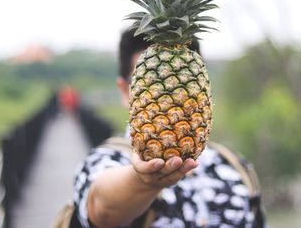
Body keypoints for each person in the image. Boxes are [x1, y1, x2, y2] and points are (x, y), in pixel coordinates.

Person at [72, 29, 266, 228]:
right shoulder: (105, 161)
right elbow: (102, 210)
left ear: (202, 89)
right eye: (153, 84)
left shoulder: (235, 168)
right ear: (125, 91)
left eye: (182, 82)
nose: (169, 98)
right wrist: (143, 181)